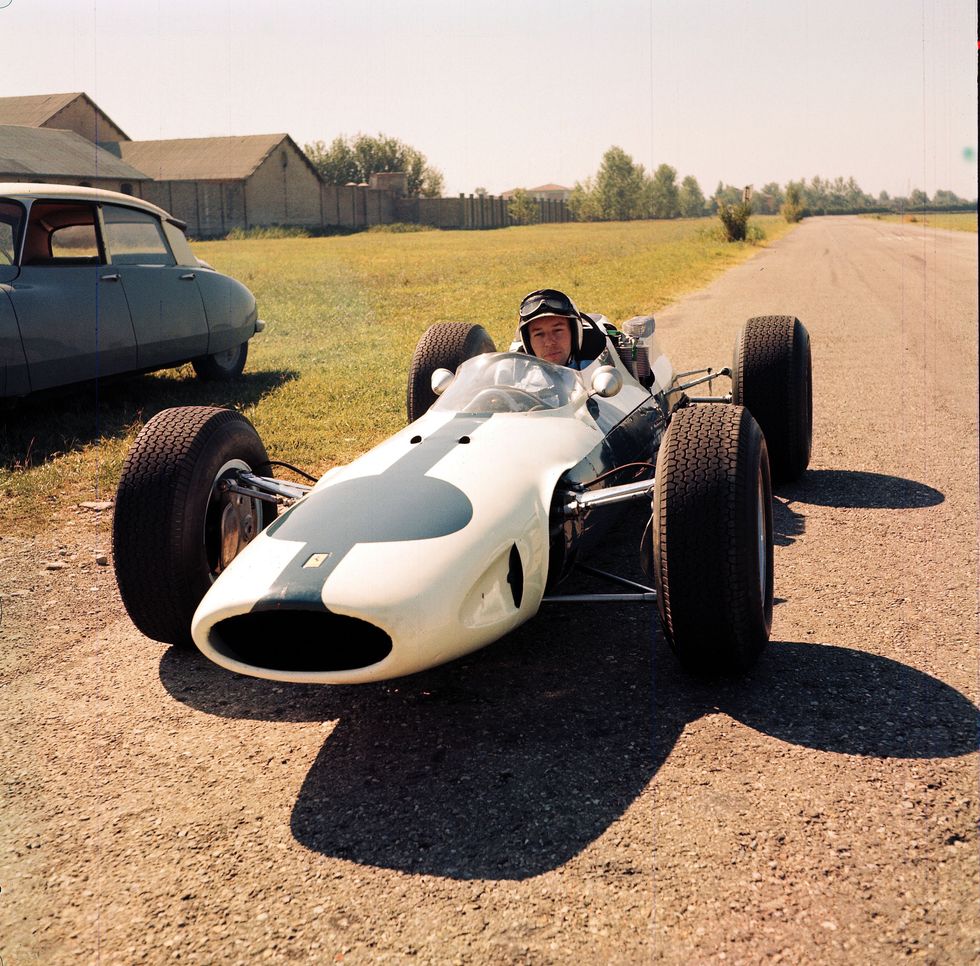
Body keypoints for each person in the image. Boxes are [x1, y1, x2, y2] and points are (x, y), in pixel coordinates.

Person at [517, 288, 591, 368]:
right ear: (528, 342)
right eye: (539, 334)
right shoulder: (517, 373)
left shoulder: (594, 364)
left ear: (574, 334)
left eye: (557, 330)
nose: (549, 342)